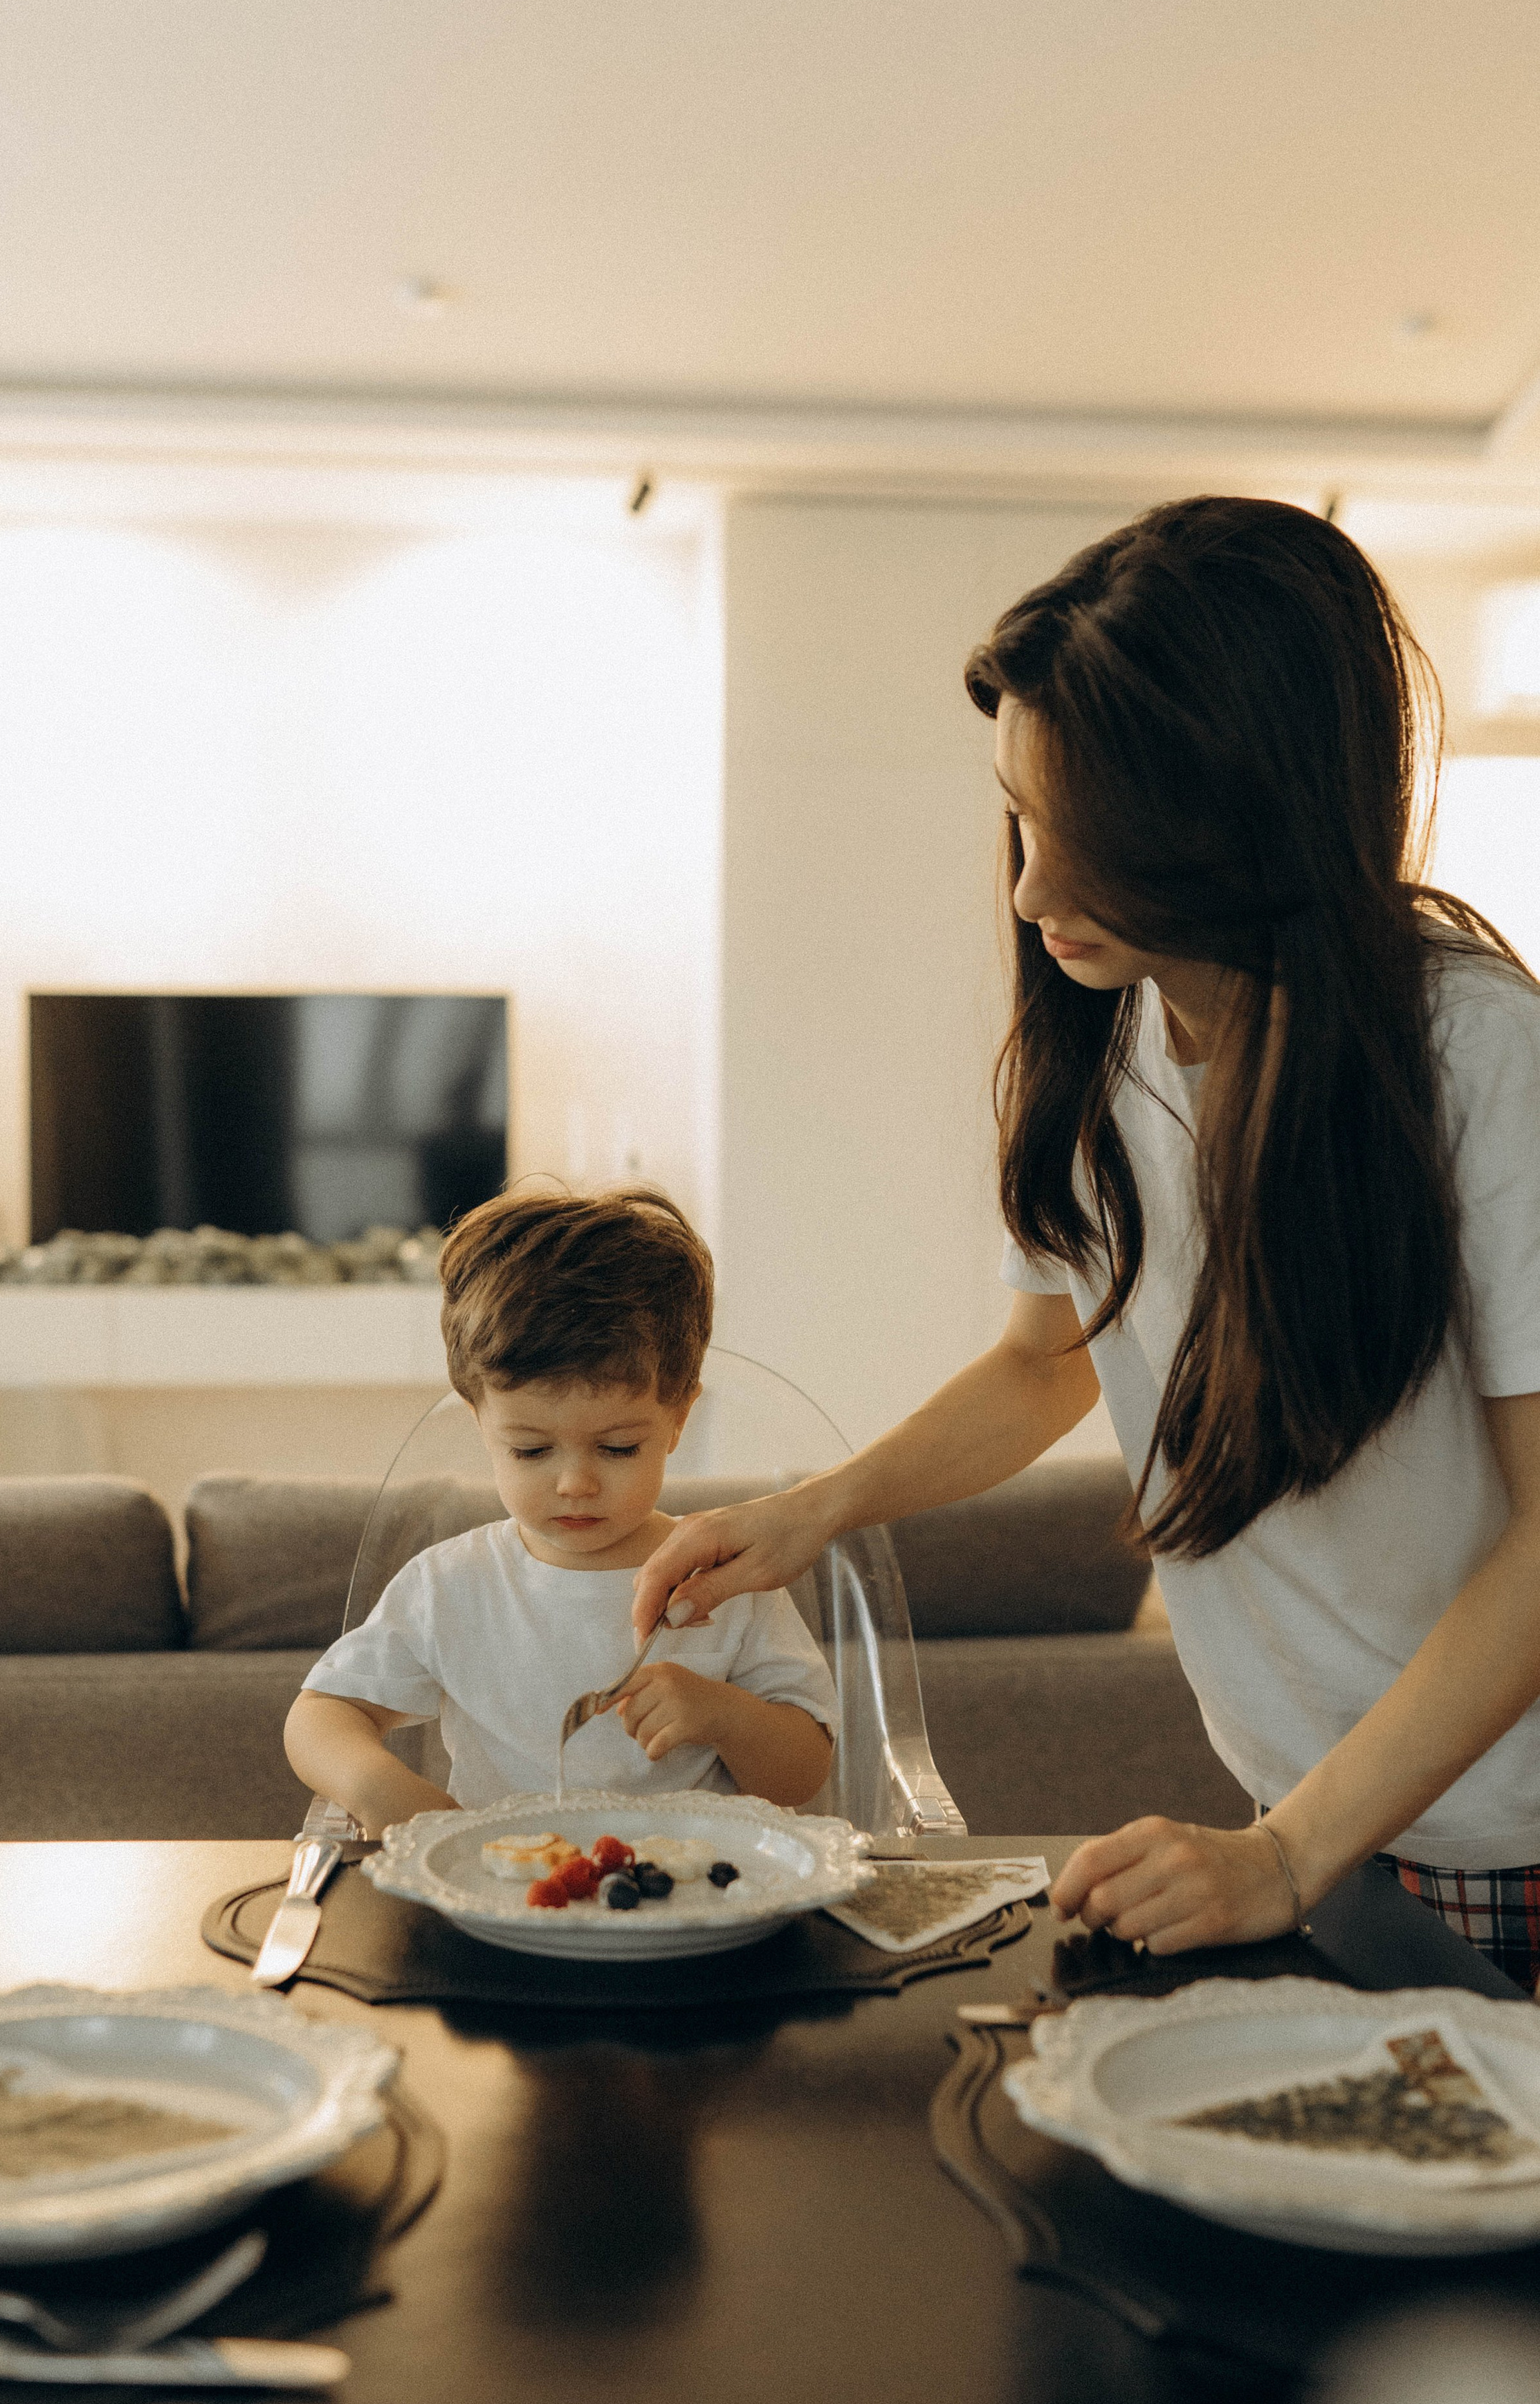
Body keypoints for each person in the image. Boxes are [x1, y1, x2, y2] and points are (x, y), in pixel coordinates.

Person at [634, 495, 1540, 1991]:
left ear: (1247, 816)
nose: (1031, 887)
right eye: (1020, 812)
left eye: (1091, 839)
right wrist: (816, 1509)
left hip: (1497, 1838)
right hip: (1312, 1806)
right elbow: (1044, 1354)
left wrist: (1286, 1853)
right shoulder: (1108, 1036)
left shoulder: (1481, 1063)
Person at [285, 1185, 837, 1835]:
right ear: (480, 1421)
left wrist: (722, 1712)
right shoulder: (452, 1586)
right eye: (530, 1450)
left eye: (618, 1447)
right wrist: (380, 1787)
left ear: (679, 1418)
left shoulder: (725, 1579)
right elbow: (319, 1715)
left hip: (693, 1905)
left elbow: (803, 1773)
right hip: (502, 1895)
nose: (575, 1482)